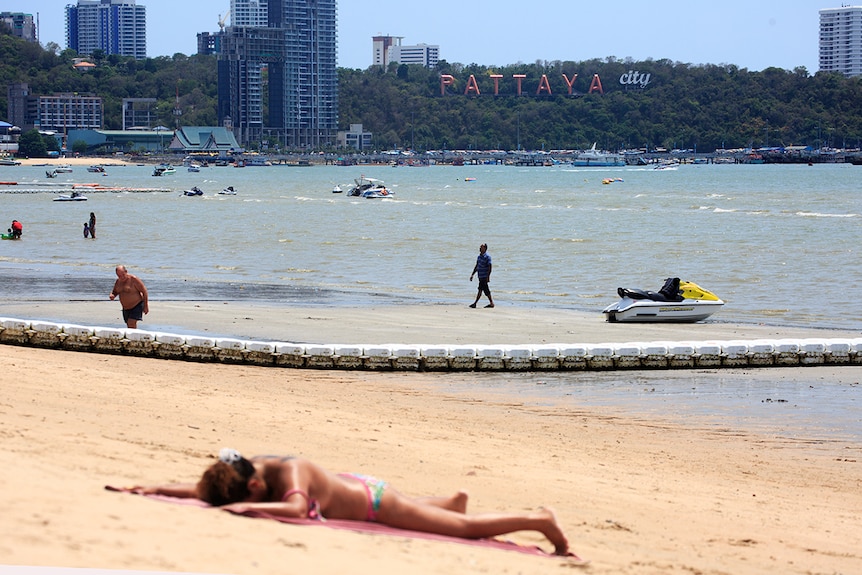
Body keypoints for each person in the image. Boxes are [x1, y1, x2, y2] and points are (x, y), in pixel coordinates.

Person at [130, 449, 572, 556]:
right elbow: (207, 493)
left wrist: (245, 510)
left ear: (254, 486)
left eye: (249, 498)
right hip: (358, 492)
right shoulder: (246, 472)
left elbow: (298, 510)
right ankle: (449, 502)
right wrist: (158, 489)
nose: (251, 500)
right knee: (433, 514)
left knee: (464, 531)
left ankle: (540, 520)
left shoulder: (289, 471)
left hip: (372, 501)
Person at [469, 243, 494, 308]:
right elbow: (477, 266)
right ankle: (491, 303)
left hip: (484, 277)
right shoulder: (479, 257)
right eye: (480, 247)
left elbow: (490, 267)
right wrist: (472, 274)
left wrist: (488, 276)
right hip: (480, 276)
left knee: (481, 290)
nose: (480, 248)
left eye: (481, 247)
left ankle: (475, 303)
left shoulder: (487, 257)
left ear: (485, 248)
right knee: (485, 290)